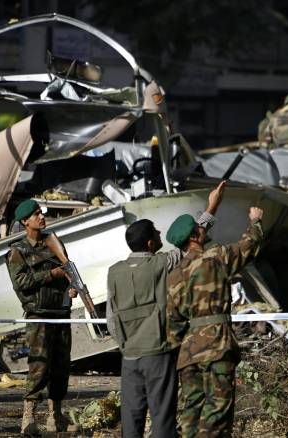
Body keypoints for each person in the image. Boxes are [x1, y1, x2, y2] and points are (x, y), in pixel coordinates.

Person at [107, 180, 226, 438]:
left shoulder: (113, 272)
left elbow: (111, 319)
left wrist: (126, 346)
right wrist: (211, 206)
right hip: (158, 354)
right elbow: (191, 240)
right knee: (162, 420)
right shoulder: (162, 263)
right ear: (150, 244)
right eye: (156, 233)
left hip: (129, 357)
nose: (161, 234)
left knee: (131, 420)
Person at [166, 203, 264, 437]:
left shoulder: (174, 277)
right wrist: (256, 221)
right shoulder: (216, 257)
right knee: (217, 411)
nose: (203, 230)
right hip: (217, 346)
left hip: (188, 354)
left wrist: (179, 352)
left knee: (192, 410)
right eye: (199, 229)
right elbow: (249, 245)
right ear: (193, 237)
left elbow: (173, 325)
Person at [6, 199, 79, 435]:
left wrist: (71, 287)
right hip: (39, 314)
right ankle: (28, 416)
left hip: (61, 312)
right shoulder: (18, 251)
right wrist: (51, 274)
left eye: (41, 212)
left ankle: (55, 415)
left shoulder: (54, 243)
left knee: (61, 365)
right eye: (35, 214)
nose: (41, 216)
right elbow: (21, 282)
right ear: (25, 222)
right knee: (39, 364)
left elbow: (68, 271)